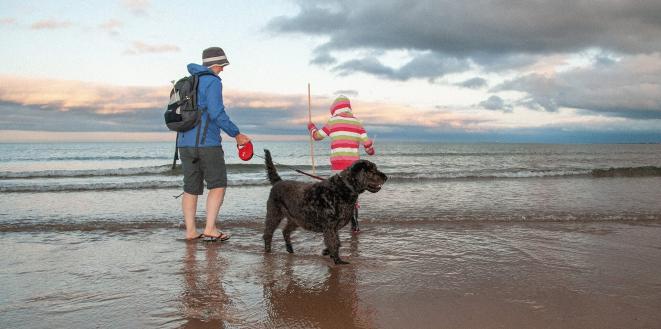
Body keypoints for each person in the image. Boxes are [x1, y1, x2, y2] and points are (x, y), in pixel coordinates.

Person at [179, 46, 250, 241]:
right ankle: (210, 228)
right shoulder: (212, 82)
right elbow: (217, 112)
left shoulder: (188, 81)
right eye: (221, 65)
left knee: (190, 188)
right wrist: (236, 134)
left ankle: (191, 232)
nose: (223, 69)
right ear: (214, 64)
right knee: (218, 185)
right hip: (207, 143)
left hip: (184, 143)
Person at [307, 95, 375, 232]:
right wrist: (369, 149)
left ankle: (332, 222)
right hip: (354, 168)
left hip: (338, 165)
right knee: (352, 195)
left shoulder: (333, 121)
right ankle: (355, 225)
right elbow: (368, 147)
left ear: (335, 108)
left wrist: (311, 127)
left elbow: (317, 137)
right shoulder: (357, 123)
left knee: (336, 194)